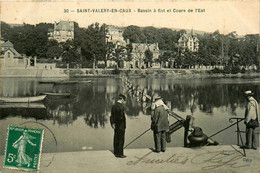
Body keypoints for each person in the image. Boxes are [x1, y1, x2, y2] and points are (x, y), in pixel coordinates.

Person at [110, 94, 127, 158]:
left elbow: (111, 116)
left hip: (115, 126)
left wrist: (112, 123)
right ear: (122, 99)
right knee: (121, 140)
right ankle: (120, 154)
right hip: (121, 126)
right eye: (124, 100)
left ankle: (116, 152)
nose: (124, 102)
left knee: (116, 138)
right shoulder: (121, 107)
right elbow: (121, 117)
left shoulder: (113, 106)